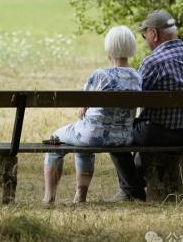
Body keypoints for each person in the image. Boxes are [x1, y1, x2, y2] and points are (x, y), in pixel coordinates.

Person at [110, 9, 183, 202]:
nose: (145, 39)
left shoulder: (152, 62)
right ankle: (133, 185)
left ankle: (133, 191)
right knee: (139, 129)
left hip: (155, 133)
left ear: (153, 33)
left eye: (144, 34)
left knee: (114, 135)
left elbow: (132, 98)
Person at [43, 25, 142, 205]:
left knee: (55, 139)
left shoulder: (100, 75)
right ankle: (79, 196)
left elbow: (82, 108)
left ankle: (49, 198)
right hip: (123, 138)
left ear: (109, 48)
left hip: (92, 135)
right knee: (83, 140)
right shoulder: (137, 77)